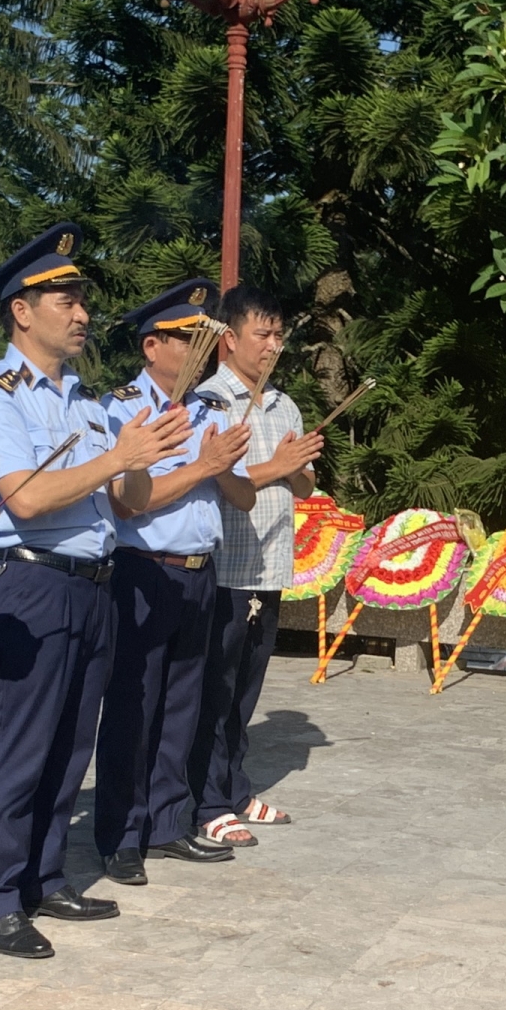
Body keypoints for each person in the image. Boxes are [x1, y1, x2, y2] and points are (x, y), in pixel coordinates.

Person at [0, 224, 192, 958]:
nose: (83, 313)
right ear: (22, 311)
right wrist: (117, 458)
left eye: (83, 300)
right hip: (33, 580)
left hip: (94, 583)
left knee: (69, 746)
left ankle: (44, 875)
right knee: (19, 747)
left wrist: (144, 454)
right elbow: (24, 498)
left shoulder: (86, 402)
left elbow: (126, 502)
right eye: (66, 300)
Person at [94, 280, 255, 886]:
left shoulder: (208, 409)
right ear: (151, 346)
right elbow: (128, 502)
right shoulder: (122, 410)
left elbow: (238, 492)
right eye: (187, 339)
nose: (198, 350)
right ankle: (120, 834)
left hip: (198, 570)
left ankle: (166, 822)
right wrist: (202, 467)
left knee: (182, 706)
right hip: (144, 569)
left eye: (203, 339)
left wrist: (231, 467)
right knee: (133, 706)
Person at [189, 284, 323, 848]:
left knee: (245, 690)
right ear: (230, 337)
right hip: (225, 568)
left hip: (270, 568)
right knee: (214, 691)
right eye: (261, 334)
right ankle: (207, 801)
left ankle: (234, 787)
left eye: (278, 335)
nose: (272, 345)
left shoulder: (284, 404)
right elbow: (217, 480)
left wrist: (296, 466)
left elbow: (306, 484)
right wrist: (278, 465)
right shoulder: (209, 403)